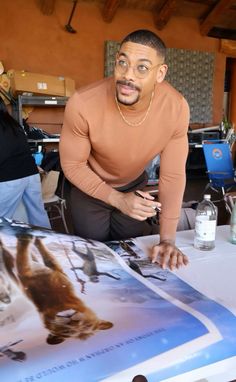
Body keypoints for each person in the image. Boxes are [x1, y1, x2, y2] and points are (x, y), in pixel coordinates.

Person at [60, 29, 190, 270]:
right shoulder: (83, 103)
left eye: (142, 67)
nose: (127, 75)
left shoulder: (176, 108)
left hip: (134, 187)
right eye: (122, 63)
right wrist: (117, 199)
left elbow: (172, 176)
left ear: (160, 73)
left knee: (131, 254)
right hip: (88, 189)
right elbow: (73, 165)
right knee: (95, 261)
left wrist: (168, 239)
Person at [0, 97, 51, 229]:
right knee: (38, 215)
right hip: (31, 175)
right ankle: (47, 245)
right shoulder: (13, 124)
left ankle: (5, 248)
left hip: (10, 178)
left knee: (2, 220)